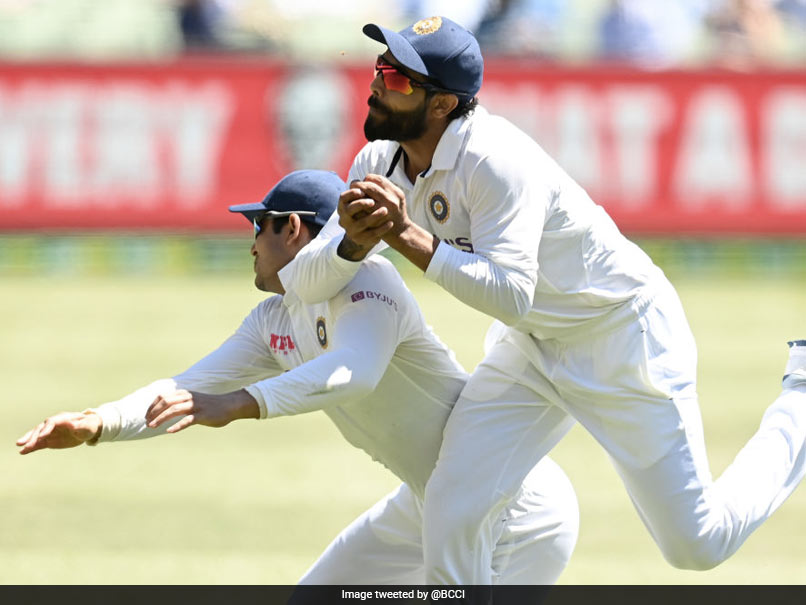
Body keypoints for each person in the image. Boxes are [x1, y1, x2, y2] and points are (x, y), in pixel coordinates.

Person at [274, 16, 806, 584]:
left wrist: (405, 235)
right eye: (381, 69)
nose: (378, 83)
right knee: (453, 509)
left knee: (694, 544)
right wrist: (352, 245)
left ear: (442, 104)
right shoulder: (377, 164)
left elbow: (511, 293)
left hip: (621, 337)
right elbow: (305, 284)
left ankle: (800, 400)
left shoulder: (497, 160)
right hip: (530, 349)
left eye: (400, 79)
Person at [16, 169, 579, 586]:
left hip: (514, 509)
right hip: (428, 502)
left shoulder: (371, 283)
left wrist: (243, 403)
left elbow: (353, 374)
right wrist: (99, 423)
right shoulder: (273, 318)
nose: (251, 242)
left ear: (291, 228)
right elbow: (189, 387)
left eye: (257, 225)